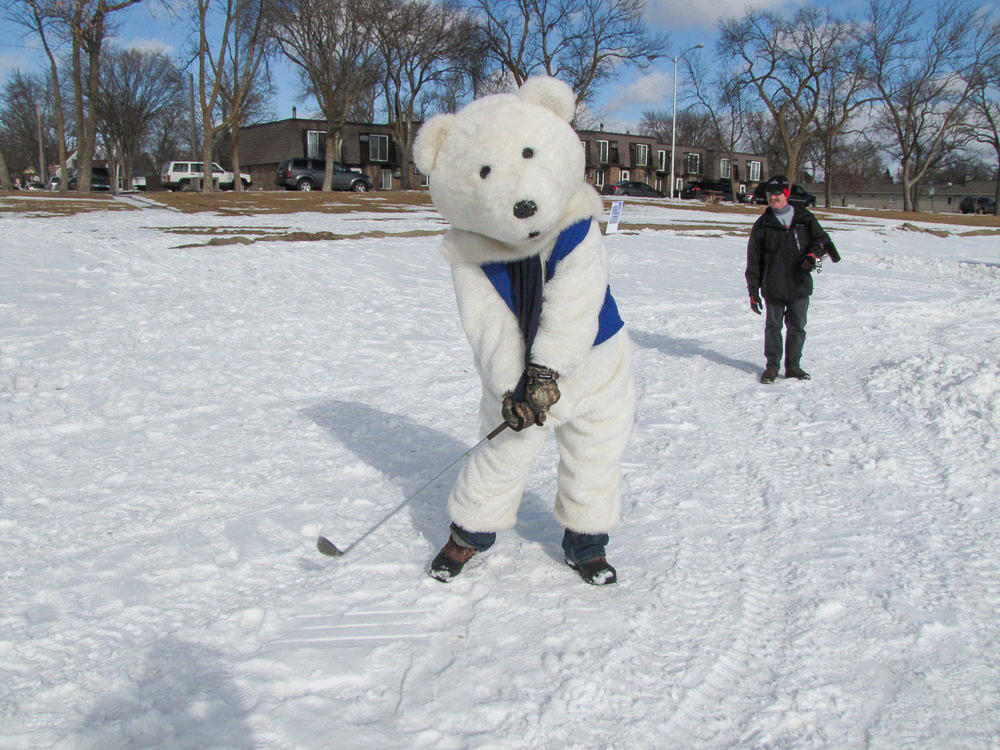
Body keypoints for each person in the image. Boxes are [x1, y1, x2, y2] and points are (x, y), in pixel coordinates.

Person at [745, 175, 834, 384]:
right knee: (773, 327)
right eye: (769, 194)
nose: (773, 197)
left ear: (785, 194)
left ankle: (793, 366)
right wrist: (752, 291)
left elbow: (821, 239)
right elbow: (753, 260)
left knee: (797, 327)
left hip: (799, 283)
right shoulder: (763, 225)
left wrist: (813, 254)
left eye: (777, 193)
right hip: (773, 284)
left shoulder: (804, 218)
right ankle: (772, 367)